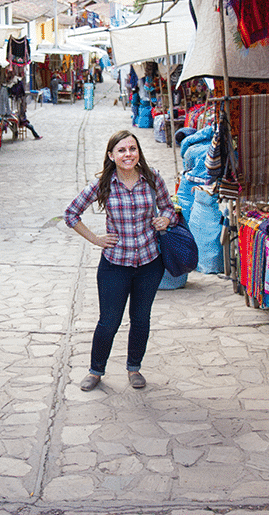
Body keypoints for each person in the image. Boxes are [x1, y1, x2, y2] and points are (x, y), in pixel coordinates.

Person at [63, 130, 176, 391]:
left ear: (139, 152)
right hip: (115, 264)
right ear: (111, 155)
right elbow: (71, 214)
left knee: (140, 318)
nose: (128, 154)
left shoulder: (152, 177)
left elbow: (168, 206)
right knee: (109, 321)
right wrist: (95, 239)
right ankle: (96, 371)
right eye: (122, 150)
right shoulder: (103, 184)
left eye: (133, 149)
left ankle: (134, 368)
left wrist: (166, 218)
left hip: (150, 262)